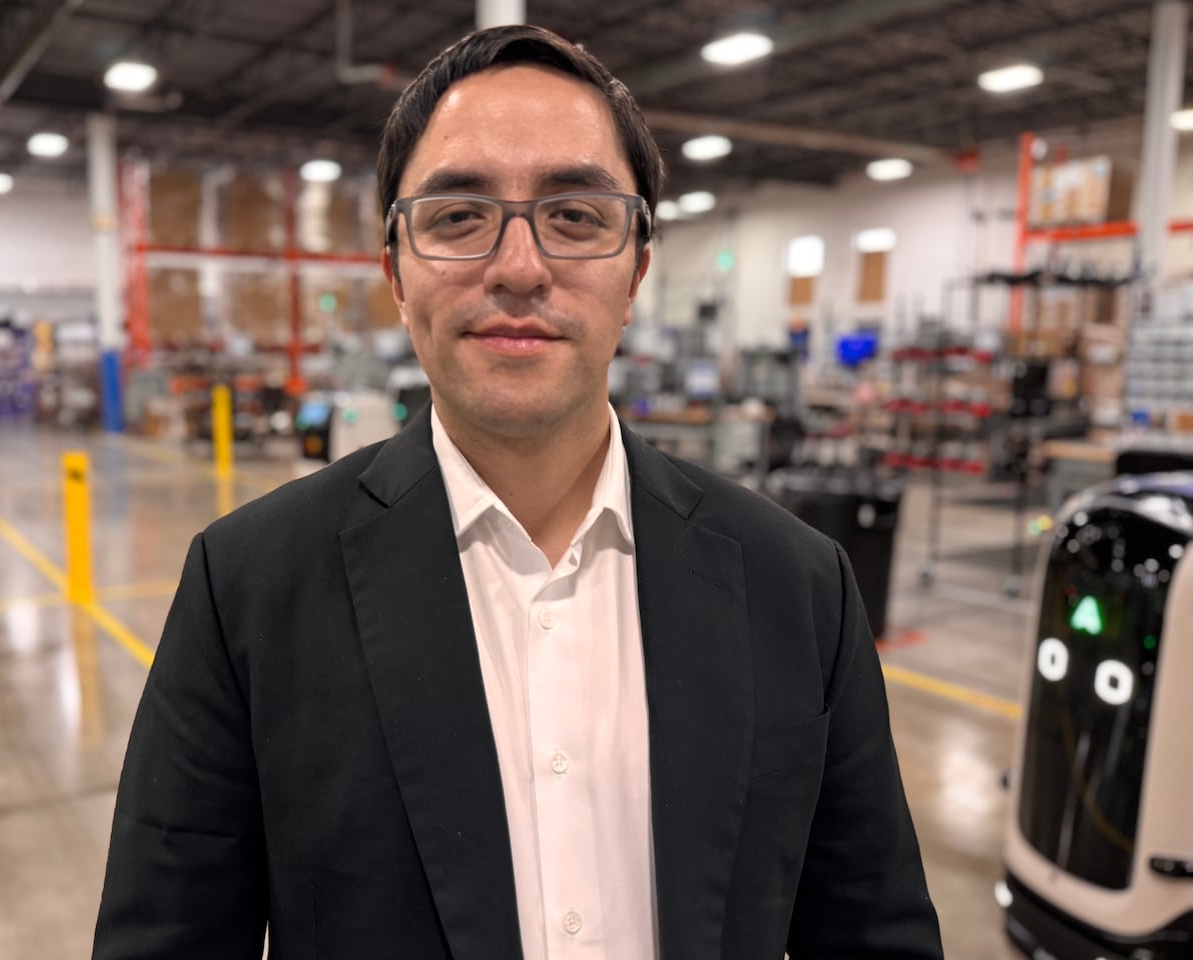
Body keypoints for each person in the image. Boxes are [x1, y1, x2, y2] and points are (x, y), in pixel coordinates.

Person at [92, 24, 944, 960]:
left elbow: (873, 929)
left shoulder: (800, 586)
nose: (519, 267)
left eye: (575, 216)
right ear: (395, 272)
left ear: (637, 274)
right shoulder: (247, 588)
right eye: (459, 217)